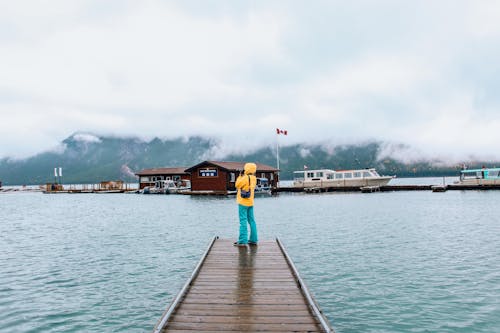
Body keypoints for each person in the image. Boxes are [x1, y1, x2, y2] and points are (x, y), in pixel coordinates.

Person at [234, 162, 258, 246]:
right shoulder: (254, 178)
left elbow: (237, 185)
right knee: (252, 221)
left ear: (246, 169)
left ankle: (243, 240)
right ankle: (253, 239)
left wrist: (240, 175)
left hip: (243, 202)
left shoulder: (244, 178)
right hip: (250, 202)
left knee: (243, 221)